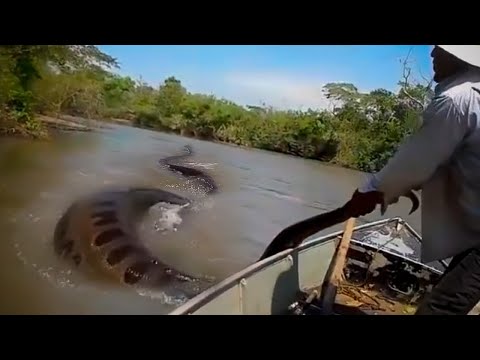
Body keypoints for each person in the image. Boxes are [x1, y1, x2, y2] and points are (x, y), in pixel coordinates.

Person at [345, 45, 480, 315]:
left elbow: (414, 162)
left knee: (440, 308)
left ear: (458, 58)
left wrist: (369, 191)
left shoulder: (457, 99)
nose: (431, 55)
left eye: (439, 50)